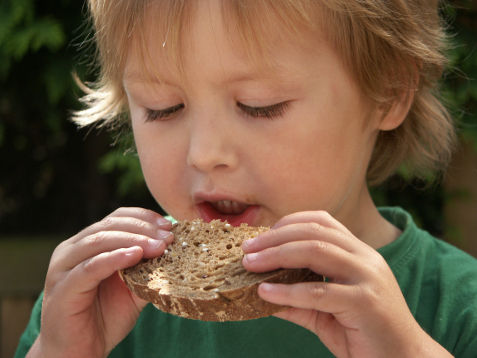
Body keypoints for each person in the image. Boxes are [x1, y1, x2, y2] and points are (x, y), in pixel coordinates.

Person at [15, 0, 477, 357]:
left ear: (389, 94)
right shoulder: (92, 307)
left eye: (260, 105)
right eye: (162, 108)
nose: (205, 154)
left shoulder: (458, 309)